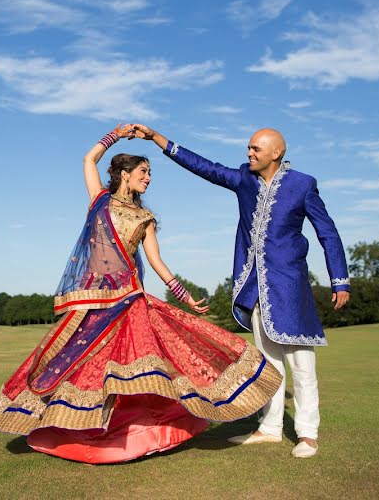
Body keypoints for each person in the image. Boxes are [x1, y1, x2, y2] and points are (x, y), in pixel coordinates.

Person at [0, 125, 282, 464]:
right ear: (124, 174)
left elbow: (157, 262)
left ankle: (137, 433)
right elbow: (89, 158)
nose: (148, 178)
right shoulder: (99, 201)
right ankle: (72, 427)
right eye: (143, 172)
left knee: (136, 367)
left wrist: (184, 295)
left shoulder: (145, 217)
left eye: (149, 173)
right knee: (75, 366)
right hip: (94, 303)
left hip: (130, 301)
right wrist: (114, 136)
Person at [131, 124, 350, 459]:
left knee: (302, 366)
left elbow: (328, 233)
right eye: (248, 148)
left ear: (275, 152)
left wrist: (340, 280)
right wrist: (158, 139)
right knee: (268, 365)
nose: (248, 154)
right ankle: (269, 428)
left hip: (290, 288)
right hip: (254, 289)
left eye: (255, 149)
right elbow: (204, 167)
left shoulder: (303, 185)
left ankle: (308, 434)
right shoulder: (243, 180)